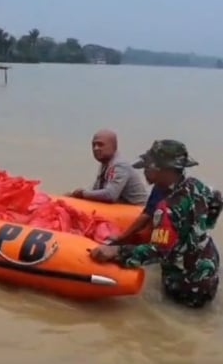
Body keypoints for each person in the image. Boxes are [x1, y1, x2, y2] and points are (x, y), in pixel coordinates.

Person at [90, 140, 222, 308]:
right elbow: (217, 200)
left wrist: (117, 252)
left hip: (187, 286)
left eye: (148, 167)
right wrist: (205, 227)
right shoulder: (198, 186)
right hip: (208, 269)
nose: (144, 171)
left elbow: (159, 251)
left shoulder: (167, 208)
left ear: (163, 170)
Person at [68, 129, 148, 205]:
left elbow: (110, 195)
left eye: (100, 145)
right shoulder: (105, 164)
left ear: (113, 146)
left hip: (137, 210)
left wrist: (83, 194)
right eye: (94, 145)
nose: (96, 148)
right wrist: (73, 195)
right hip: (122, 207)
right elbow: (96, 190)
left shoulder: (119, 165)